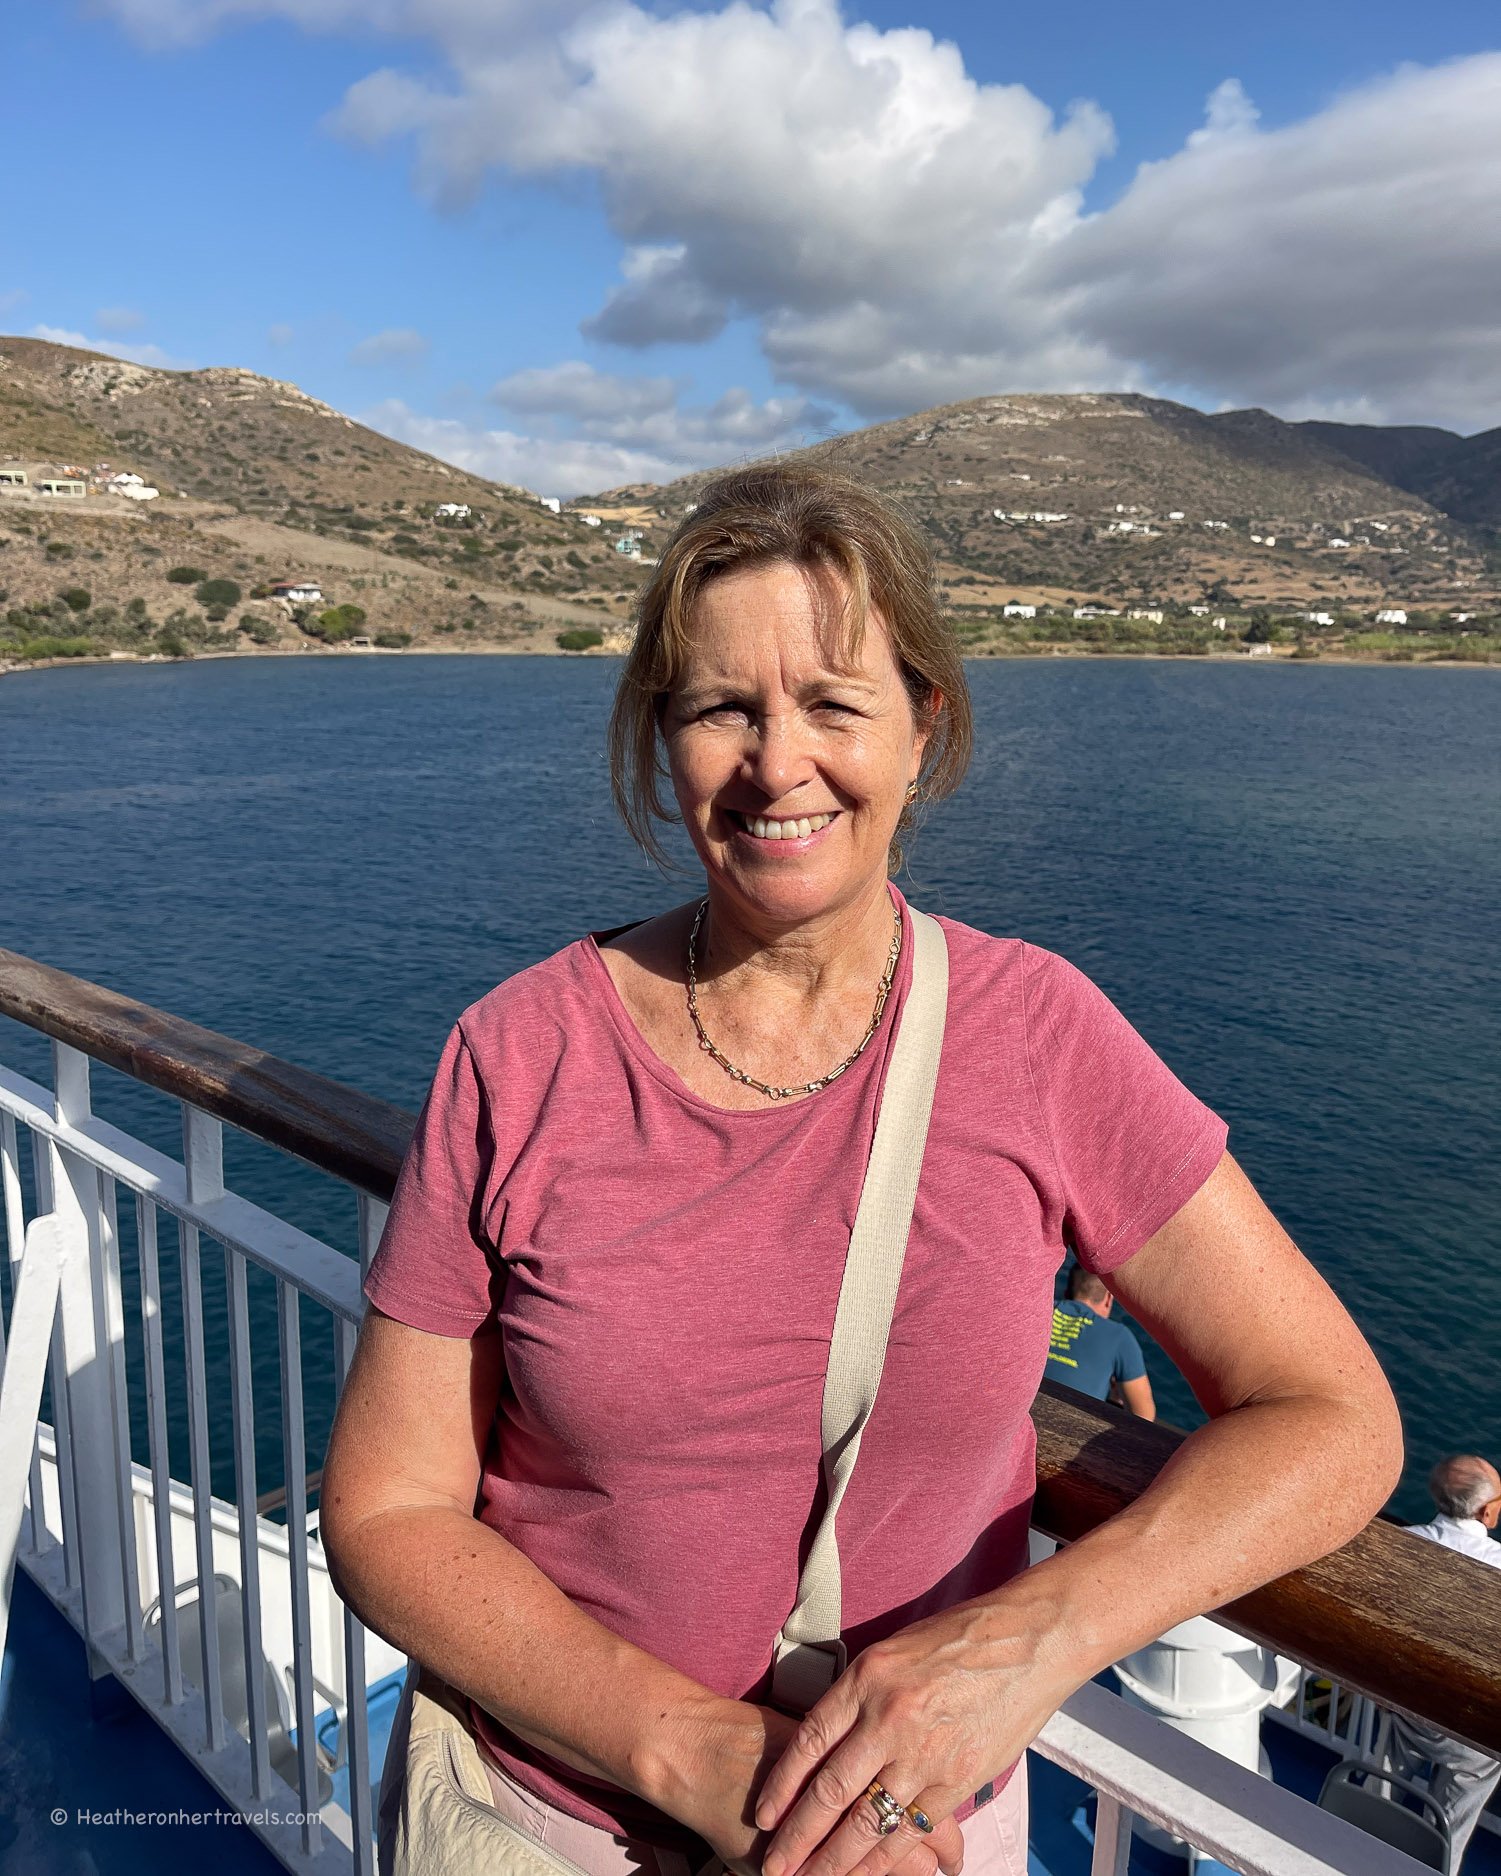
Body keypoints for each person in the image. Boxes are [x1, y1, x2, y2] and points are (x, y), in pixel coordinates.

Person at [319, 462, 1403, 1876]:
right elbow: (391, 1507)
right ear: (665, 737)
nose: (780, 765)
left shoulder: (1039, 1033)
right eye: (724, 708)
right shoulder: (520, 1054)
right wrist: (694, 1754)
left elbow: (1332, 1417)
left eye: (835, 703)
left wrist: (1018, 1651)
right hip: (556, 1820)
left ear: (919, 728)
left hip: (910, 1841)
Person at [1379, 1455, 1501, 1870]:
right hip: (1470, 1725)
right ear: (1487, 1511)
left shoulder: (1405, 1544)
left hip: (1410, 1705)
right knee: (1455, 1818)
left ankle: (1362, 1840)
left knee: (1387, 1777)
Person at [1045, 1263, 1156, 1418]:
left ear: (1065, 1294)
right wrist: (1115, 1401)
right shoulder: (1120, 1336)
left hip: (1017, 1430)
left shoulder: (1039, 1313)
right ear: (1109, 1299)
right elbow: (1144, 1417)